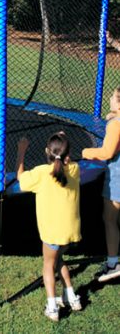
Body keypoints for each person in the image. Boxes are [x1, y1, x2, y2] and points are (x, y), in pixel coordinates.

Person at [16, 132, 82, 322]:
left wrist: (21, 152)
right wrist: (63, 139)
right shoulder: (75, 169)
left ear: (47, 152)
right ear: (68, 155)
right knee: (59, 259)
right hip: (71, 232)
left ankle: (52, 306)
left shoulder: (41, 173)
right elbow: (65, 160)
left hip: (52, 233)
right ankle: (72, 297)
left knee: (48, 265)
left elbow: (21, 178)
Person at [82, 87, 120, 282]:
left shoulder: (115, 124)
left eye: (113, 97)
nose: (109, 98)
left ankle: (113, 264)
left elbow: (107, 153)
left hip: (118, 178)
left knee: (110, 219)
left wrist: (86, 152)